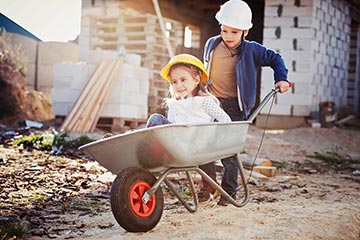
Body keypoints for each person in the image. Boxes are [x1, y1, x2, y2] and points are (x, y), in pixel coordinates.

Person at [198, 0, 291, 206]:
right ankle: (209, 184)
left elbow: (276, 59)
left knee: (229, 153)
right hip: (210, 102)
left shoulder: (252, 50)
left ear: (245, 31)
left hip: (235, 107)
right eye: (225, 31)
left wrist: (281, 78)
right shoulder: (211, 44)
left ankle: (228, 193)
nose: (228, 36)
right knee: (203, 146)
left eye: (234, 32)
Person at [146, 53, 231, 128]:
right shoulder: (174, 104)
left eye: (183, 80)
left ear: (196, 80)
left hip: (199, 138)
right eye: (174, 82)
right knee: (155, 118)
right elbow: (170, 128)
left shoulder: (204, 101)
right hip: (178, 139)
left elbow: (225, 120)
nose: (179, 85)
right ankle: (146, 141)